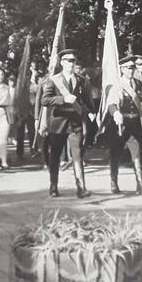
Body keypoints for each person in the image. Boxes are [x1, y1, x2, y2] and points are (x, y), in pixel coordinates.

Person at [39, 48, 93, 198]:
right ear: (62, 62)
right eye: (68, 60)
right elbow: (45, 100)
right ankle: (53, 186)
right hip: (58, 123)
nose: (71, 63)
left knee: (77, 155)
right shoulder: (53, 79)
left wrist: (91, 112)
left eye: (73, 61)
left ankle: (81, 188)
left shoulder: (81, 80)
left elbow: (86, 100)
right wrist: (62, 99)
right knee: (55, 156)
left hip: (75, 123)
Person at [104, 55, 142, 195]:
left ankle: (140, 184)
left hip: (134, 122)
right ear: (122, 69)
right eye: (128, 68)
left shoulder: (139, 84)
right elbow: (111, 103)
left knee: (137, 154)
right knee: (115, 154)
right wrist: (115, 113)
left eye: (133, 67)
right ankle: (114, 183)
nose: (131, 70)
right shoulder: (116, 85)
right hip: (120, 123)